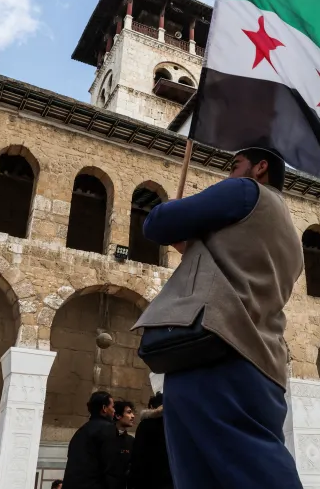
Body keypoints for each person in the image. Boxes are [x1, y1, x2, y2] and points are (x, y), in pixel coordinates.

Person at [135, 147, 305, 489]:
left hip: (215, 352)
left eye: (235, 165)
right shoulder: (290, 236)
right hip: (263, 363)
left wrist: (171, 211)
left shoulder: (245, 190)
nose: (230, 174)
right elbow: (233, 260)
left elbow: (157, 223)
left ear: (260, 167)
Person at [63, 391, 116, 489]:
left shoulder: (81, 430)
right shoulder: (108, 429)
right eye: (112, 407)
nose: (114, 411)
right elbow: (110, 464)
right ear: (104, 408)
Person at [130, 393, 173, 489]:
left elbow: (137, 456)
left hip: (147, 480)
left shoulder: (145, 425)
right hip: (170, 480)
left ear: (152, 407)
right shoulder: (174, 426)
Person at [107, 399, 136, 489]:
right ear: (118, 415)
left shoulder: (131, 441)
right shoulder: (105, 437)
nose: (133, 416)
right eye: (129, 412)